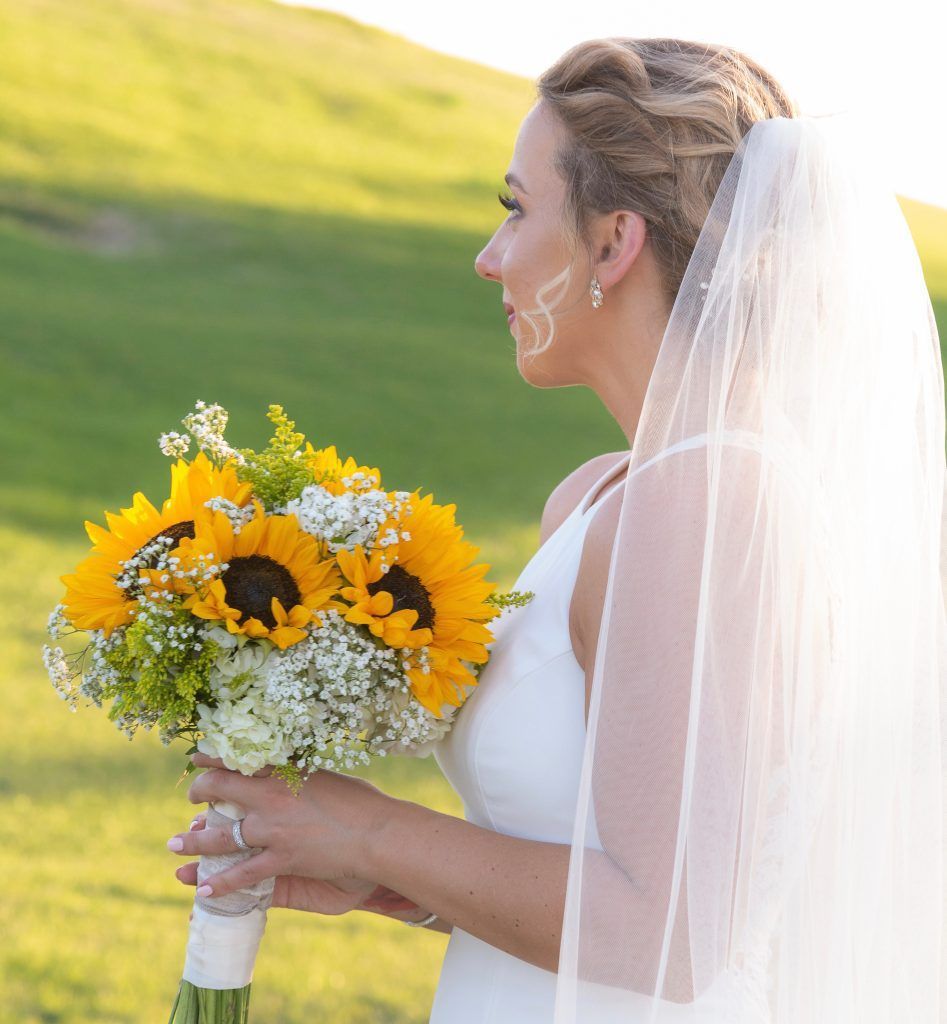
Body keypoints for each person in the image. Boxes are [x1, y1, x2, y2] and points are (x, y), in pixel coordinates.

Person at [168, 37, 946, 1023]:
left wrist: (371, 831)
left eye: (515, 208)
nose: (489, 255)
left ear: (613, 244)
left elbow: (669, 933)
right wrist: (393, 885)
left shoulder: (705, 499)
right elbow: (633, 875)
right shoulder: (609, 492)